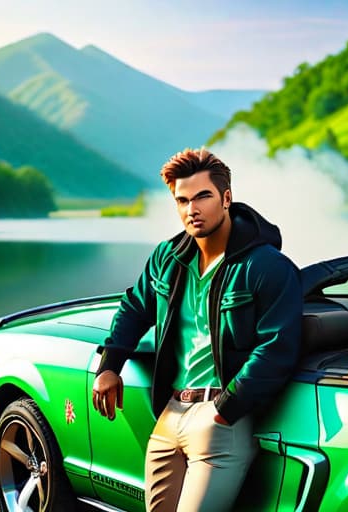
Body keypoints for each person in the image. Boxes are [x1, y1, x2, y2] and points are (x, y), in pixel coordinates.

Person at [92, 147, 302, 512]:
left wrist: (225, 408)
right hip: (170, 413)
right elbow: (134, 307)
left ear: (226, 198)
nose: (193, 209)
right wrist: (110, 367)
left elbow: (277, 347)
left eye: (203, 196)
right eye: (183, 200)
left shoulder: (266, 266)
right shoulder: (167, 257)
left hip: (220, 418)